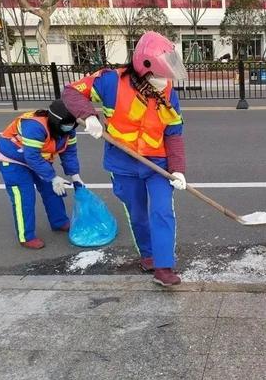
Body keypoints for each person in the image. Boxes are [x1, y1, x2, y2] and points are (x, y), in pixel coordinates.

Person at [62, 31, 187, 287]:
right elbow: (72, 92)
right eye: (161, 75)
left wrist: (178, 169)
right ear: (145, 67)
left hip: (158, 165)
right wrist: (89, 116)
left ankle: (164, 267)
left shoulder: (169, 93)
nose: (166, 81)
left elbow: (174, 132)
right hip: (123, 165)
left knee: (162, 211)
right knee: (138, 214)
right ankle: (149, 256)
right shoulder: (111, 82)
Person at [0, 100, 83, 249]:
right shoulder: (35, 126)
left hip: (39, 159)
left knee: (53, 190)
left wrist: (75, 175)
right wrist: (53, 177)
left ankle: (59, 221)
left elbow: (69, 152)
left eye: (72, 124)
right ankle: (26, 236)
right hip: (12, 159)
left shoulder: (68, 128)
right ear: (56, 120)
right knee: (24, 196)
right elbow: (32, 157)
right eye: (67, 124)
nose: (70, 127)